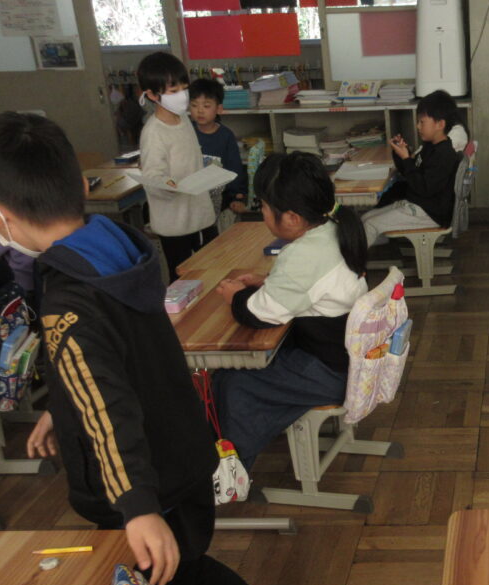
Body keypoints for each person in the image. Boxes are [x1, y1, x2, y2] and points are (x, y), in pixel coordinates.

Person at [0, 111, 313, 585]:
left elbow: (108, 406)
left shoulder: (66, 297)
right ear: (80, 186)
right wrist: (62, 406)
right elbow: (109, 371)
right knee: (185, 566)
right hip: (181, 451)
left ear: (4, 216)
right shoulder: (117, 249)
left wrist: (136, 506)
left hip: (133, 480)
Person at [213, 151, 368, 472]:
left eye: (264, 206)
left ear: (292, 218)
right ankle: (245, 445)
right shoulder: (334, 227)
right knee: (250, 372)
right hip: (347, 359)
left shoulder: (304, 254)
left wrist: (235, 295)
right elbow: (313, 287)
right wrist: (268, 281)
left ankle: (232, 473)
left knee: (232, 380)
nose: (261, 212)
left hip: (330, 373)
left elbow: (259, 314)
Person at [137, 51, 217, 280]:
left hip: (201, 215)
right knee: (184, 280)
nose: (182, 95)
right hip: (175, 225)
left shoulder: (183, 119)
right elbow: (152, 177)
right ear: (152, 95)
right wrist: (167, 184)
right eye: (173, 91)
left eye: (184, 87)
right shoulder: (154, 132)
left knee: (213, 271)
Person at [362, 90, 464, 247]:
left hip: (429, 213)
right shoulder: (430, 146)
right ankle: (374, 245)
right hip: (417, 204)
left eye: (422, 122)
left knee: (369, 225)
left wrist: (406, 159)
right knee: (365, 219)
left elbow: (423, 187)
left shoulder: (444, 154)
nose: (417, 126)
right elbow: (409, 174)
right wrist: (402, 154)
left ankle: (354, 261)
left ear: (440, 124)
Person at [189, 78, 248, 215]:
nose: (200, 111)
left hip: (220, 197)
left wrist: (238, 196)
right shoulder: (187, 132)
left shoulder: (226, 136)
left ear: (219, 109)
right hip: (192, 196)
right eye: (194, 105)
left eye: (206, 106)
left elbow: (234, 168)